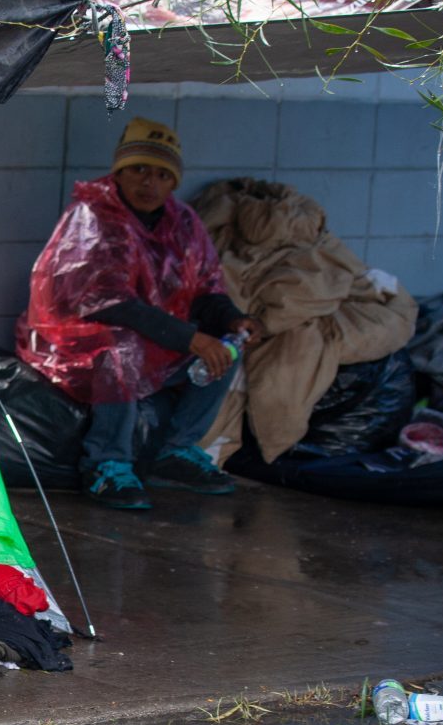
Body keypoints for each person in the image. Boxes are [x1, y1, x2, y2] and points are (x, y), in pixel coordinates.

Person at [16, 117, 264, 510]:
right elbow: (106, 302)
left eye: (162, 174)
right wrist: (187, 338)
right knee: (122, 349)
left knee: (224, 351)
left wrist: (232, 320)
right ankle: (105, 464)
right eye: (139, 170)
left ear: (173, 182)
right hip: (72, 340)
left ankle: (175, 451)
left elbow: (202, 289)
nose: (149, 182)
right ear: (120, 172)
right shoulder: (94, 216)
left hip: (151, 333)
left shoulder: (182, 222)